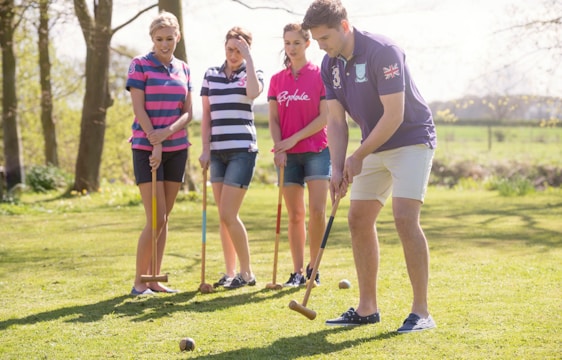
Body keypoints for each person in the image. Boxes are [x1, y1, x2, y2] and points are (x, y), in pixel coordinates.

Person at [302, 0, 438, 333]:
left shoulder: (383, 51)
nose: (321, 46)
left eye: (325, 38)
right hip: (372, 144)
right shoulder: (329, 64)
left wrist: (358, 155)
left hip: (410, 139)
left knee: (405, 217)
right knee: (358, 218)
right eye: (316, 40)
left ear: (344, 27)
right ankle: (367, 308)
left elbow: (395, 115)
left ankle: (421, 312)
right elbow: (336, 121)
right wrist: (337, 167)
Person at [126, 11, 193, 296]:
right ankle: (139, 282)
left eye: (169, 38)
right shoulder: (139, 65)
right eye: (159, 39)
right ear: (152, 40)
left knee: (164, 218)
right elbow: (139, 109)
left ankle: (154, 279)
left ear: (177, 37)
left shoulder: (184, 69)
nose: (165, 44)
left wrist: (167, 136)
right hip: (145, 146)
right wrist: (156, 141)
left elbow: (189, 112)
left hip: (177, 148)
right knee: (155, 217)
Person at [199, 26, 263, 289]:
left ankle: (246, 273)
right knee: (223, 217)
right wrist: (205, 149)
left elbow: (252, 93)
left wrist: (248, 59)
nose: (234, 54)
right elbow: (206, 115)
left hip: (242, 151)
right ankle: (230, 273)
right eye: (230, 49)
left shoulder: (253, 73)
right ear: (224, 48)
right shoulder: (211, 75)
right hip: (217, 152)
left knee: (228, 213)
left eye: (239, 50)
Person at [267, 23, 330, 287]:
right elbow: (272, 118)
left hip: (317, 151)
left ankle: (313, 269)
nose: (291, 48)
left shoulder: (320, 75)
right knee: (295, 215)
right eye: (287, 43)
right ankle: (296, 272)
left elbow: (324, 117)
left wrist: (293, 139)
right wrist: (279, 146)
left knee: (317, 211)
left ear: (307, 44)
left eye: (296, 43)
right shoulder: (276, 80)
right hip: (288, 157)